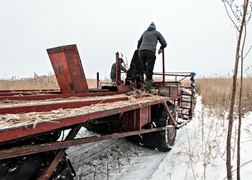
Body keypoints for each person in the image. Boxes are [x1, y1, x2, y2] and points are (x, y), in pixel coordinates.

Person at [137, 22, 167, 92]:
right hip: (150, 52)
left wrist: (138, 49)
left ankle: (143, 84)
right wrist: (161, 48)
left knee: (143, 68)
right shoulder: (157, 33)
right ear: (155, 28)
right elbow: (164, 43)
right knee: (149, 69)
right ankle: (148, 89)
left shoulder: (145, 32)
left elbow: (139, 41)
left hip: (142, 51)